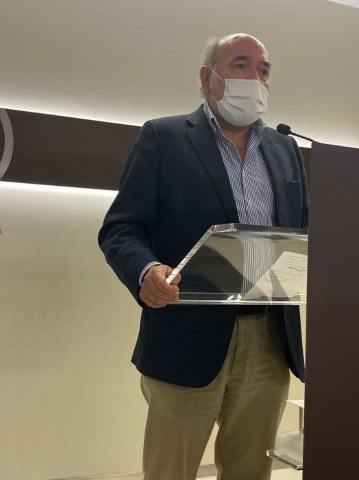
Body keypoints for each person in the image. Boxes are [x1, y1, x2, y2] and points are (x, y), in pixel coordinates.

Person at [98, 33, 308, 480]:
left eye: (263, 70)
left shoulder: (284, 148)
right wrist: (146, 271)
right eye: (240, 65)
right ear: (207, 77)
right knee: (170, 470)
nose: (255, 78)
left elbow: (301, 234)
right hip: (185, 334)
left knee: (251, 470)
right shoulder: (164, 138)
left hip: (269, 338)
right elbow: (121, 228)